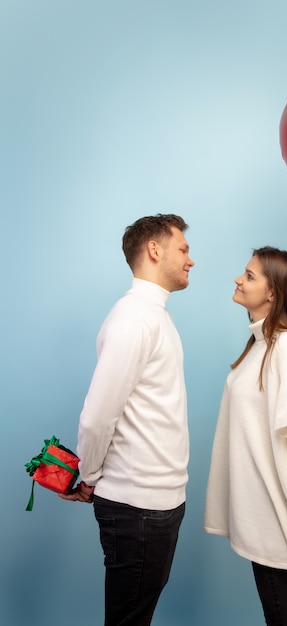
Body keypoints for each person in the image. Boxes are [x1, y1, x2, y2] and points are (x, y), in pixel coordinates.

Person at [60, 213, 194, 626]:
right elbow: (98, 415)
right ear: (155, 250)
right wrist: (89, 473)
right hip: (138, 509)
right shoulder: (135, 318)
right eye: (184, 249)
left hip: (158, 504)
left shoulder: (155, 316)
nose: (191, 260)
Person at [204, 246, 287, 626]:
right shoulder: (263, 345)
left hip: (276, 523)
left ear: (273, 292)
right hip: (263, 517)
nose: (238, 280)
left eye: (250, 275)